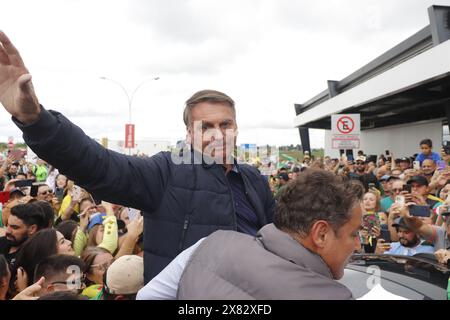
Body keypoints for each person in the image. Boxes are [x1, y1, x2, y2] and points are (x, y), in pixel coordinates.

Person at [0, 31, 275, 283]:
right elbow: (100, 166)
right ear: (190, 133)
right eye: (206, 126)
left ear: (236, 128)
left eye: (225, 124)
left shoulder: (254, 181)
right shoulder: (165, 171)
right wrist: (35, 119)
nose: (217, 134)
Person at [137, 169, 363, 300]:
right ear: (321, 234)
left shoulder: (210, 245)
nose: (359, 246)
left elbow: (146, 297)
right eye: (354, 234)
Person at [0, 203, 48, 267]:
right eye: (7, 225)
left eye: (15, 227)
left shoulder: (34, 258)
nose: (8, 231)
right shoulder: (2, 242)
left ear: (32, 229)